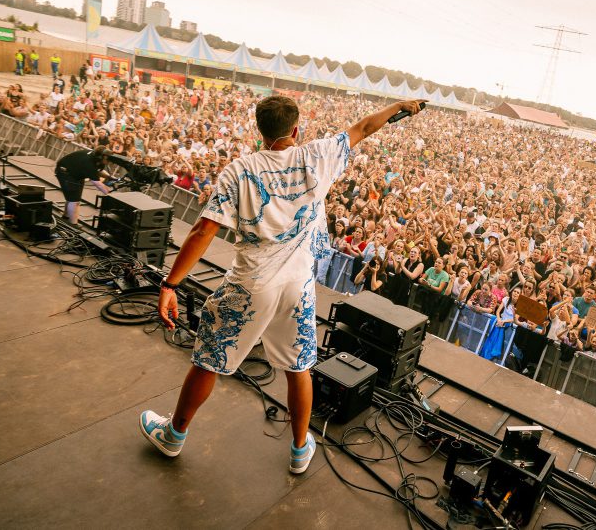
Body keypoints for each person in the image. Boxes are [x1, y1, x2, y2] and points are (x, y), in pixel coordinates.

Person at [139, 96, 425, 474]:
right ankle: (299, 449)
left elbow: (203, 229)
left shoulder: (239, 171)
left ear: (260, 129)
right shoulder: (318, 155)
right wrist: (400, 107)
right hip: (299, 287)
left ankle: (173, 435)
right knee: (299, 367)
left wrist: (171, 284)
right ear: (295, 129)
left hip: (250, 285)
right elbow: (365, 127)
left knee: (208, 360)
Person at [54, 146, 112, 224]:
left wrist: (110, 177)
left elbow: (97, 171)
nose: (110, 161)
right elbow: (97, 183)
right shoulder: (88, 163)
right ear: (100, 157)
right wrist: (110, 195)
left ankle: (66, 217)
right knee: (74, 201)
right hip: (66, 173)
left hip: (76, 172)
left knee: (72, 198)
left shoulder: (95, 157)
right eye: (107, 159)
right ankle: (74, 224)